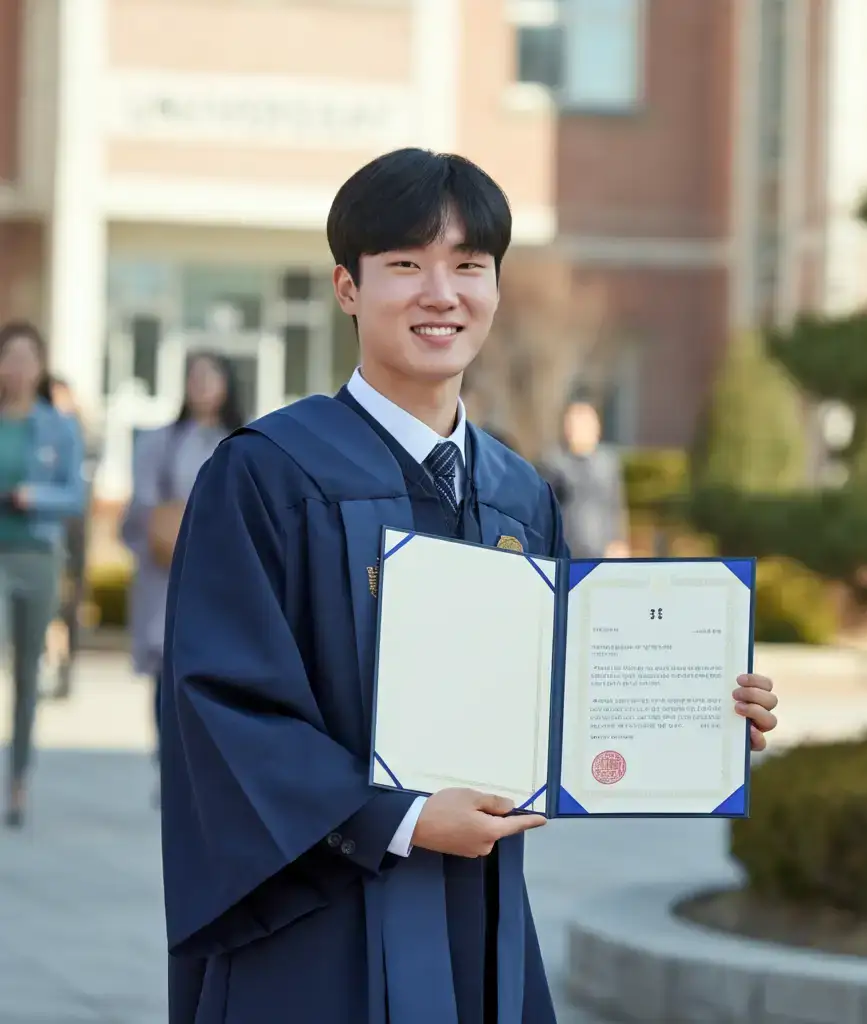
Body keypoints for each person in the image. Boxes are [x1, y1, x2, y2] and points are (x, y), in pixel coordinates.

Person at [159, 149, 781, 1024]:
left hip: (481, 914)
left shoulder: (518, 492)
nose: (440, 294)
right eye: (406, 265)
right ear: (347, 287)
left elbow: (573, 691)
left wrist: (704, 717)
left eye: (468, 267)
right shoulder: (268, 475)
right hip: (322, 922)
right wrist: (401, 820)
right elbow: (220, 706)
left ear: (495, 286)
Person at [120, 353, 243, 777]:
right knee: (166, 666)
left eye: (212, 377)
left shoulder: (241, 441)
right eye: (196, 378)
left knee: (211, 668)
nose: (203, 386)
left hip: (221, 573)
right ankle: (168, 758)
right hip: (167, 569)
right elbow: (143, 505)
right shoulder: (162, 441)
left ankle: (200, 761)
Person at [0, 322, 85, 828]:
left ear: (41, 365)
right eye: (10, 355)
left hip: (37, 553)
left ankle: (18, 781)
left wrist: (34, 496)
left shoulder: (58, 426)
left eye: (28, 357)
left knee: (28, 674)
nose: (19, 366)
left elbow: (74, 494)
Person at [42, 375, 101, 700]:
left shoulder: (83, 439)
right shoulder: (39, 435)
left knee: (70, 603)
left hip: (76, 533)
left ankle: (65, 670)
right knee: (52, 604)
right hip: (48, 532)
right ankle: (50, 662)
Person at [539, 398, 631, 558]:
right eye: (573, 423)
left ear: (597, 427)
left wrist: (619, 541)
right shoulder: (553, 463)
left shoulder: (608, 463)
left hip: (603, 551)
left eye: (585, 423)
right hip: (566, 551)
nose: (579, 429)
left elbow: (615, 505)